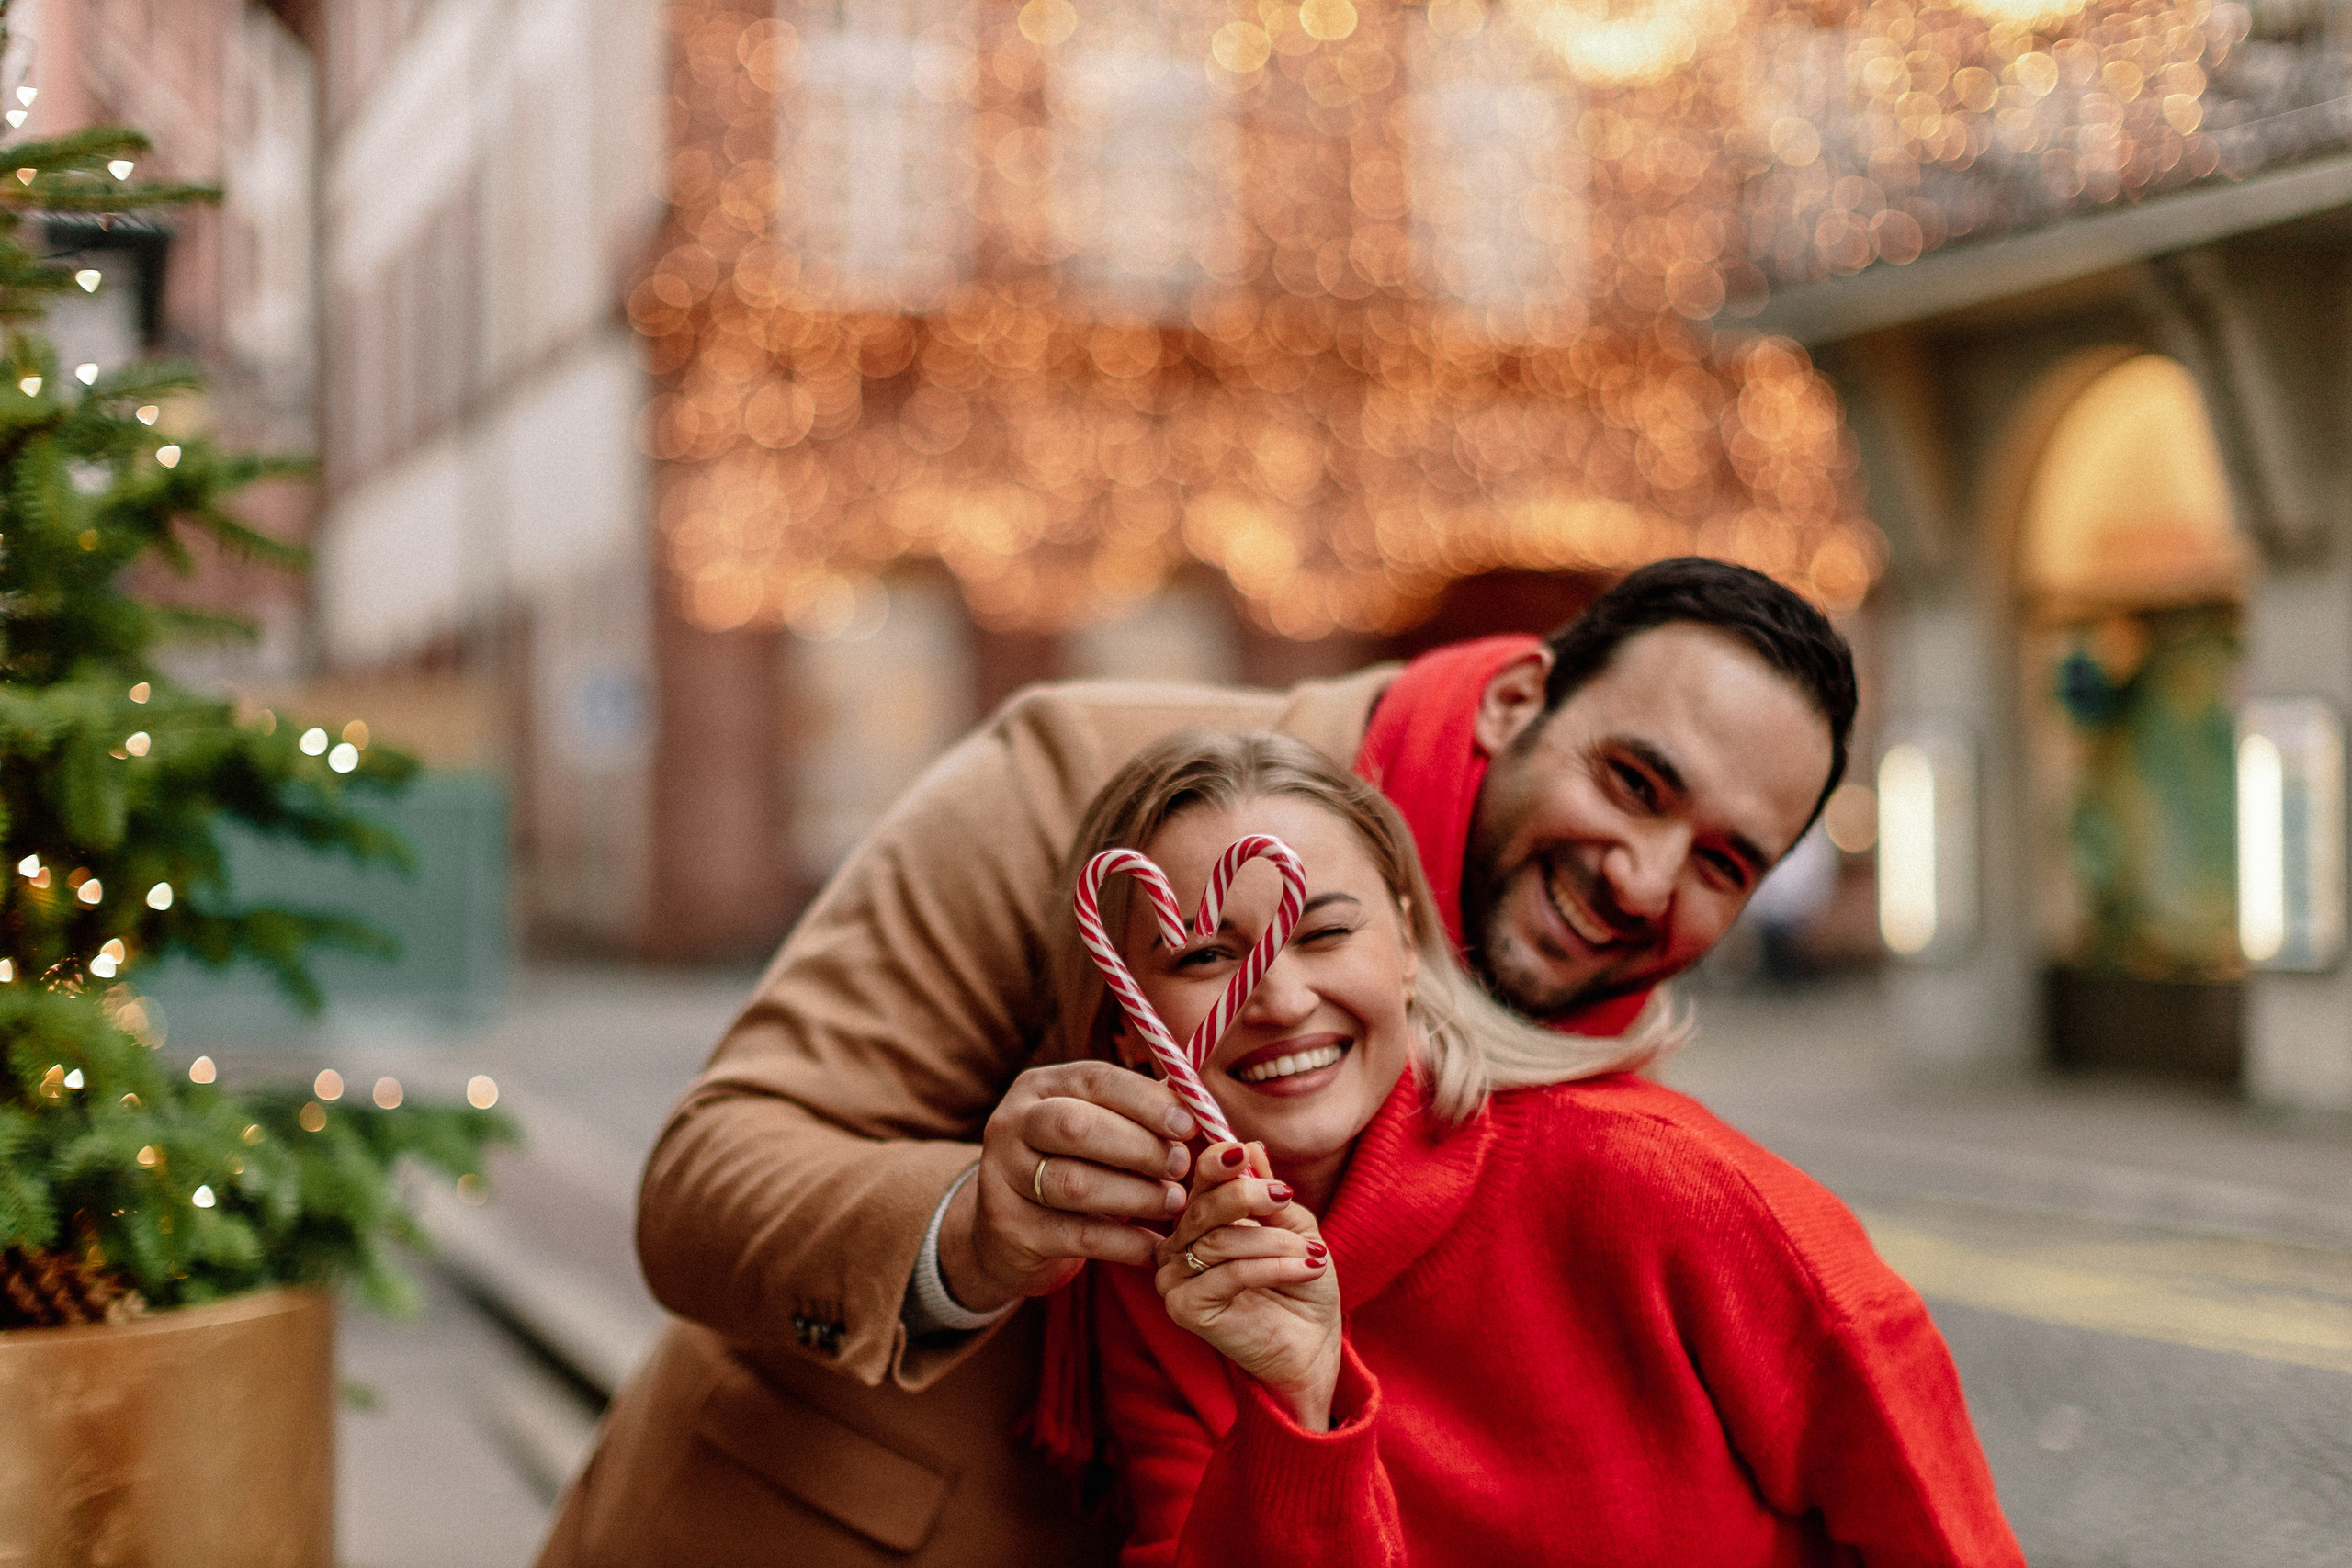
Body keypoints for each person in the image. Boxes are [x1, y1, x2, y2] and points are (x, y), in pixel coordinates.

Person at [538, 558, 1860, 1567]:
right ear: (1516, 698)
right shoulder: (1075, 781)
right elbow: (708, 1171)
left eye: (1725, 861)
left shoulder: (1606, 1092)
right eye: (1632, 782)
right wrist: (971, 1232)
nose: (1642, 879)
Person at [1063, 732, 2021, 1566]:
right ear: (1124, 1023)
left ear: (1404, 943)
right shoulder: (1169, 1283)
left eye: (1321, 934)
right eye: (1202, 957)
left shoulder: (1660, 1183)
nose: (1274, 997)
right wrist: (1295, 1405)